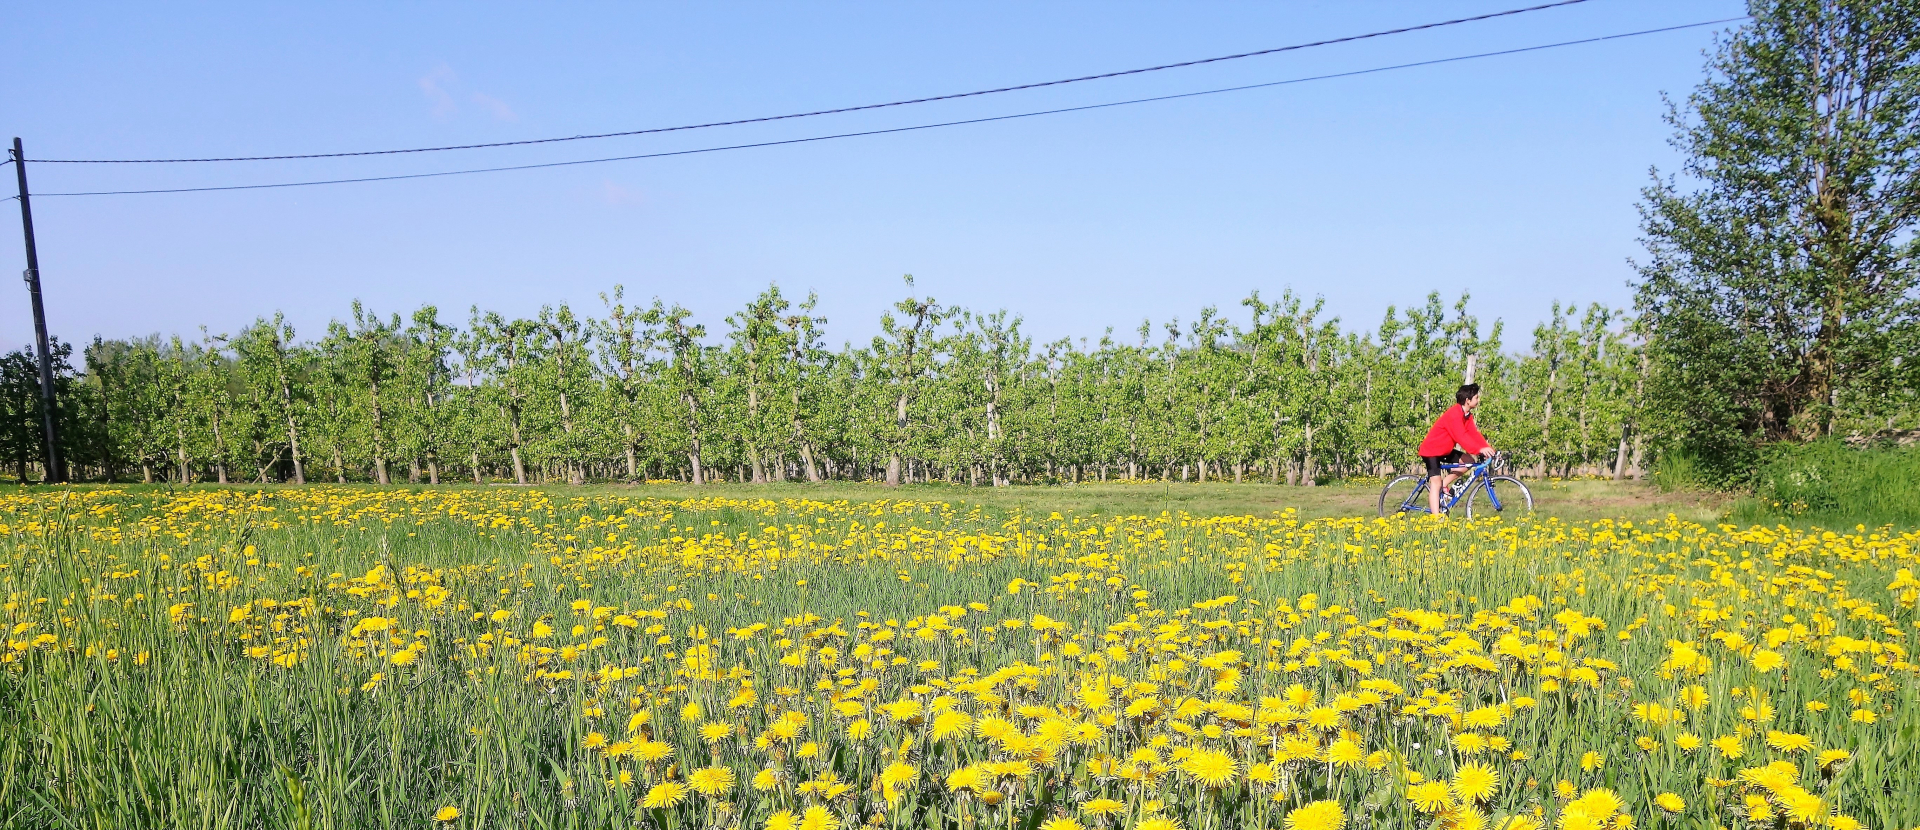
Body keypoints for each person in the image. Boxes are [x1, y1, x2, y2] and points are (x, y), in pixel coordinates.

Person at [1417, 383, 1494, 517]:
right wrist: (1479, 449)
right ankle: (1437, 520)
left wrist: (1488, 449)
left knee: (1468, 462)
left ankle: (1444, 485)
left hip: (1444, 450)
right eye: (1476, 397)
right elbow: (1461, 437)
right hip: (1431, 451)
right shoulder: (1454, 414)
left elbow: (1473, 434)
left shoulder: (1467, 415)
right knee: (1435, 482)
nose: (1478, 400)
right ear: (1467, 400)